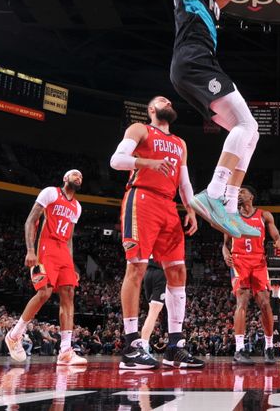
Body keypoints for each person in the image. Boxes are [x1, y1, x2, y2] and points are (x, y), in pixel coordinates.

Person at [168, 0, 265, 239]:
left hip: (197, 68)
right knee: (247, 124)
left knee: (251, 133)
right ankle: (213, 191)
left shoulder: (213, 4)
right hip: (193, 63)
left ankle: (230, 205)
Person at [109, 95, 202, 369]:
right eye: (163, 101)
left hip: (169, 207)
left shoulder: (180, 143)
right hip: (142, 199)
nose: (169, 103)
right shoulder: (140, 129)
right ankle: (131, 346)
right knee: (136, 268)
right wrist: (147, 163)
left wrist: (191, 208)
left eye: (171, 102)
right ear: (151, 109)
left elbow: (184, 181)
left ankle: (174, 346)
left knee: (177, 271)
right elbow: (116, 160)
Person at [5, 170, 87, 367]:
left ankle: (65, 351)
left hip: (63, 252)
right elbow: (30, 220)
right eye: (75, 175)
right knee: (44, 293)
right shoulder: (50, 192)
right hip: (45, 247)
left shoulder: (77, 206)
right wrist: (30, 250)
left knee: (69, 294)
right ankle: (14, 335)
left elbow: (69, 238)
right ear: (65, 178)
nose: (79, 177)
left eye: (81, 177)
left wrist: (71, 263)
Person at [223, 186, 280, 364]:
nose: (239, 194)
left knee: (266, 302)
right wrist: (225, 255)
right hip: (239, 261)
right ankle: (239, 349)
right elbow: (225, 243)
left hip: (259, 262)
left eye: (242, 191)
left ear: (251, 196)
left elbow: (276, 237)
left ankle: (268, 348)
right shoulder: (231, 216)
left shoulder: (264, 215)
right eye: (237, 192)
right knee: (242, 300)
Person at [140, 258, 167, 351]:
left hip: (147, 273)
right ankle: (143, 347)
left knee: (151, 313)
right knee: (153, 313)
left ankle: (143, 345)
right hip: (160, 272)